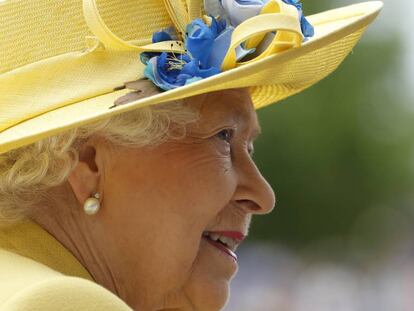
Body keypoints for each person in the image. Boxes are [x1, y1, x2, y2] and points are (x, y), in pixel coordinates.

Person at [0, 0, 382, 310]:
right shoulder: (58, 303)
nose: (263, 196)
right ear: (89, 164)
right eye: (223, 137)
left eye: (248, 147)